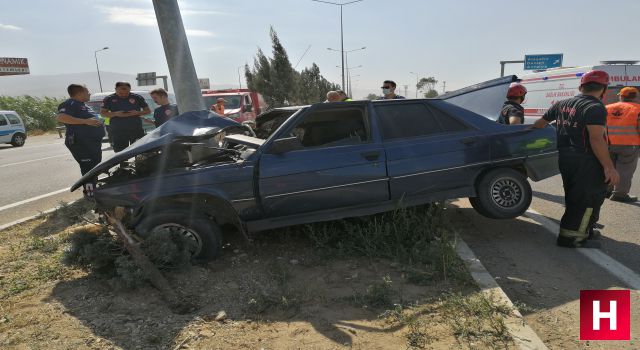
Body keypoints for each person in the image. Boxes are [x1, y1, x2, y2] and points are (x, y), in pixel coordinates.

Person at [531, 70, 620, 248]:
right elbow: (596, 139)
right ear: (604, 89)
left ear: (581, 87)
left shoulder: (561, 104)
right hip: (587, 160)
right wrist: (609, 167)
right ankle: (572, 238)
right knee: (588, 199)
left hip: (566, 158)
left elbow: (538, 125)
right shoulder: (595, 108)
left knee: (574, 196)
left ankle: (584, 230)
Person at [56, 84, 105, 198]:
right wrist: (85, 121)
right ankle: (90, 194)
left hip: (91, 143)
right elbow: (61, 117)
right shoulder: (70, 104)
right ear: (79, 93)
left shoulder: (82, 105)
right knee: (88, 169)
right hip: (81, 143)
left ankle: (94, 191)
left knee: (94, 168)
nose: (89, 94)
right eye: (87, 91)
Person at [605, 86, 640, 202]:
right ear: (636, 97)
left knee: (609, 167)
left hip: (608, 144)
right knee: (625, 170)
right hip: (629, 145)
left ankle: (607, 190)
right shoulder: (638, 109)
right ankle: (619, 194)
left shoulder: (607, 108)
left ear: (621, 96)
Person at [100, 82, 151, 152]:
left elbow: (148, 111)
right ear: (115, 89)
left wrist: (138, 113)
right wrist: (115, 114)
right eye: (121, 93)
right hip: (118, 131)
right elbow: (102, 113)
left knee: (139, 151)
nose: (124, 95)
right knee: (120, 153)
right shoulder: (109, 99)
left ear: (130, 89)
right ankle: (123, 163)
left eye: (126, 93)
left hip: (136, 129)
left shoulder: (137, 97)